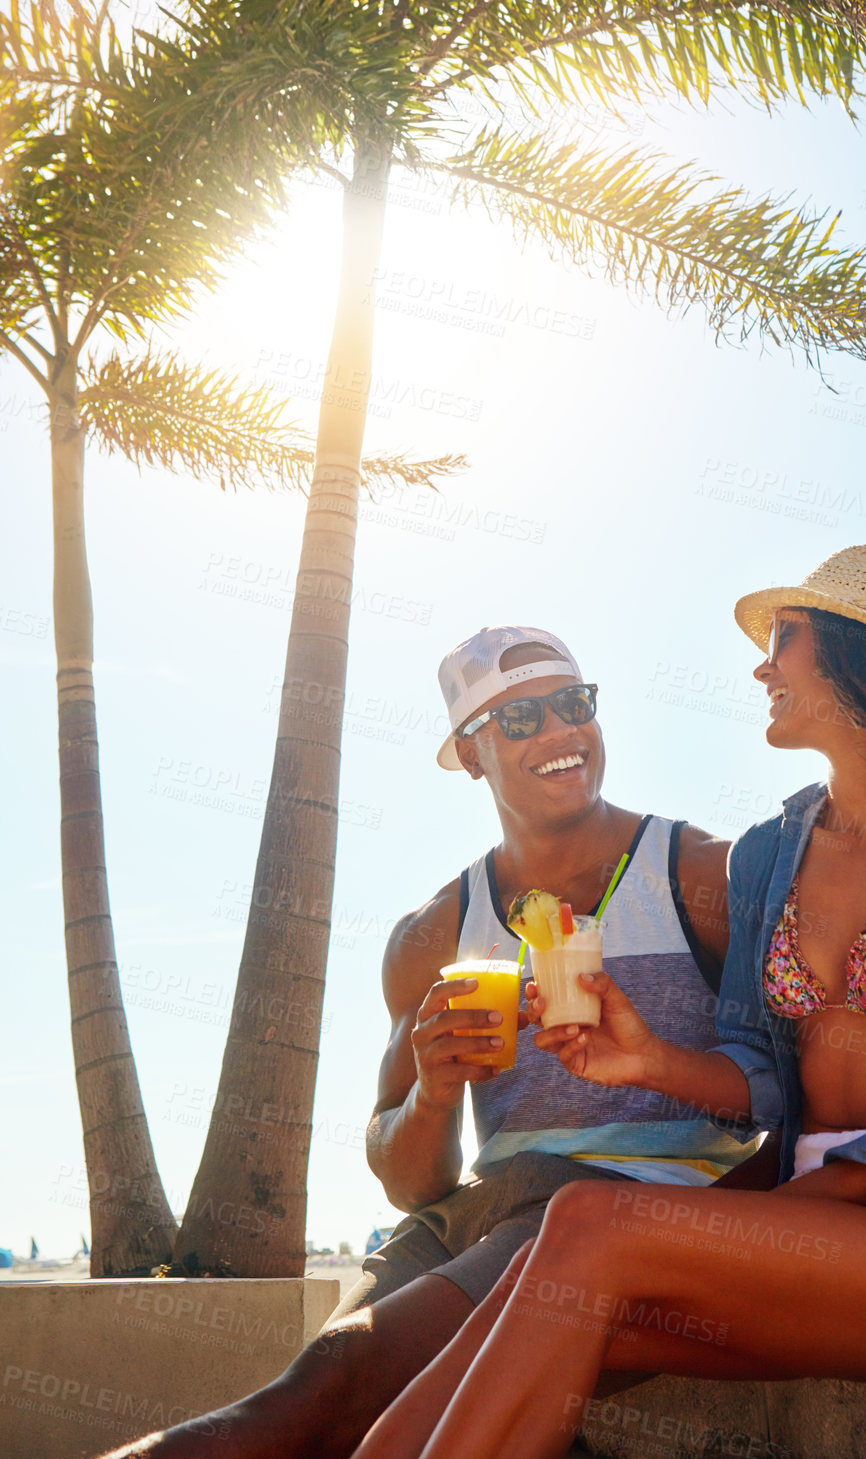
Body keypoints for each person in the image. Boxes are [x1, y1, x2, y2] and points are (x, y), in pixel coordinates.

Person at [351, 546, 866, 1459]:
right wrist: (642, 1057)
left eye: (784, 640)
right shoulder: (768, 856)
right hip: (809, 1214)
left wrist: (826, 1190)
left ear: (856, 655)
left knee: (584, 1222)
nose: (762, 665)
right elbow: (761, 1071)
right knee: (539, 1308)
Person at [101, 625, 746, 1459]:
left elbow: (781, 1084)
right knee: (334, 1383)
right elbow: (413, 1182)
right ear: (471, 756)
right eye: (517, 719)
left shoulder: (698, 874)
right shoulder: (435, 932)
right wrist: (436, 1091)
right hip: (470, 1211)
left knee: (337, 1382)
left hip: (612, 1211)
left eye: (572, 704)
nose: (558, 732)